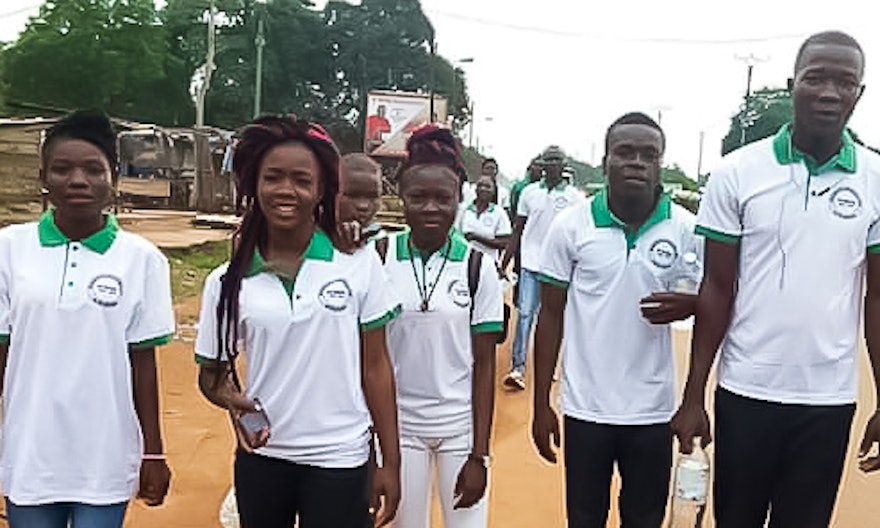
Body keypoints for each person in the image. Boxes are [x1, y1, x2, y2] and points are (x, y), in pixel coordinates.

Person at [671, 30, 880, 527]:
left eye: (844, 82)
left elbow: (878, 299)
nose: (829, 92)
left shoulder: (875, 180)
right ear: (793, 84)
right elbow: (718, 288)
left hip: (827, 402)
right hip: (746, 392)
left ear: (860, 93)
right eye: (815, 78)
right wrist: (694, 394)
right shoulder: (737, 172)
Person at [194, 116, 401, 528]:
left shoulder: (358, 265)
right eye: (273, 178)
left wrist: (390, 462)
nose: (286, 190)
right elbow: (212, 377)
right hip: (264, 458)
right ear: (254, 184)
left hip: (342, 457)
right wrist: (234, 404)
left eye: (301, 180)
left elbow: (375, 367)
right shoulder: (227, 281)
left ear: (321, 189)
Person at [0, 110, 174, 527]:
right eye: (62, 169)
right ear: (44, 176)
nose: (78, 180)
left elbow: (142, 364)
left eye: (94, 169)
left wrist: (153, 452)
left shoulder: (142, 260)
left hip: (105, 454)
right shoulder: (9, 248)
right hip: (30, 452)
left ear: (112, 177)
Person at [532, 113, 702, 528]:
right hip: (586, 408)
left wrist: (693, 305)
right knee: (585, 518)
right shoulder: (571, 226)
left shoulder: (687, 229)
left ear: (661, 163)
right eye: (625, 152)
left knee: (644, 518)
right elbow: (550, 314)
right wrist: (541, 404)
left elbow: (716, 304)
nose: (636, 162)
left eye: (649, 154)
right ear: (605, 159)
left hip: (653, 411)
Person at [383, 125, 503, 528]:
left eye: (443, 198)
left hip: (459, 430)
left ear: (459, 200)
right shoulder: (379, 257)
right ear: (402, 197)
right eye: (418, 198)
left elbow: (485, 365)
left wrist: (479, 455)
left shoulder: (477, 268)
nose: (431, 208)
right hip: (398, 429)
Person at [501, 146, 585, 390]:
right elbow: (518, 230)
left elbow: (577, 236)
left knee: (557, 317)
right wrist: (505, 262)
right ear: (542, 165)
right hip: (530, 262)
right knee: (525, 313)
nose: (552, 166)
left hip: (560, 268)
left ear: (563, 165)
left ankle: (554, 366)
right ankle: (518, 368)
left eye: (556, 161)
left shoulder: (574, 198)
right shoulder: (529, 193)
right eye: (548, 161)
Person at [457, 174, 513, 263]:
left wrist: (476, 237)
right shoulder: (464, 210)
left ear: (494, 191)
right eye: (480, 185)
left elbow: (504, 243)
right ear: (475, 189)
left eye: (488, 186)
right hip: (464, 262)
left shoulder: (499, 213)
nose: (483, 189)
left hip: (489, 263)